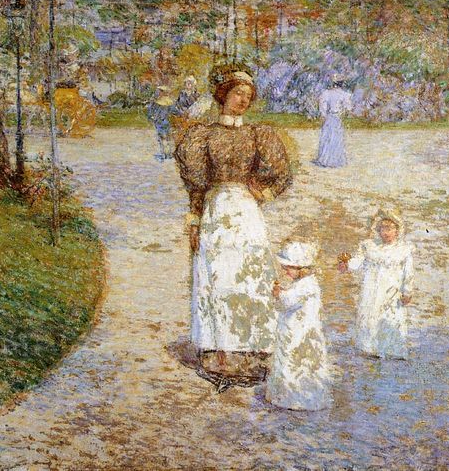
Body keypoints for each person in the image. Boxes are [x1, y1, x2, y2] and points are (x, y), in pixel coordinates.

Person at [174, 63, 293, 390]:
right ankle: (219, 352)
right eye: (238, 93)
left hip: (246, 214)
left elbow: (283, 176)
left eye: (248, 96)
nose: (242, 100)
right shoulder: (203, 135)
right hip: (216, 212)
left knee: (251, 277)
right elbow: (196, 187)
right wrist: (194, 222)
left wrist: (263, 193)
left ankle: (253, 351)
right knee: (219, 277)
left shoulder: (257, 135)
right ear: (224, 95)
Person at [338, 209, 414, 360]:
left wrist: (407, 291)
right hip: (371, 289)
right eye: (383, 229)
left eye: (390, 229)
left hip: (391, 291)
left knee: (390, 317)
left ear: (397, 231)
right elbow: (358, 262)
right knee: (371, 315)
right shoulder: (370, 246)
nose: (386, 232)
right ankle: (370, 347)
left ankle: (392, 349)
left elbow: (408, 272)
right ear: (378, 230)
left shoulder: (403, 250)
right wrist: (347, 264)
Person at [266, 242, 331, 411]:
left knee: (297, 361)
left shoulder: (307, 285)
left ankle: (297, 398)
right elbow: (286, 301)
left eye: (288, 268)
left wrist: (279, 294)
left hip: (301, 332)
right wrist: (281, 294)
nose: (285, 271)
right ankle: (288, 394)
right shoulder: (301, 283)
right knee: (290, 359)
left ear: (301, 268)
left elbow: (288, 301)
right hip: (294, 328)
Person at [313, 75, 353, 168]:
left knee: (327, 137)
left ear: (333, 83)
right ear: (341, 84)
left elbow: (322, 107)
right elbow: (348, 108)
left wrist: (323, 115)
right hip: (337, 117)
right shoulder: (344, 94)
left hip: (329, 117)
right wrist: (342, 113)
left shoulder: (326, 93)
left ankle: (325, 159)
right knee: (336, 137)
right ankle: (336, 160)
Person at [147, 85, 175, 160]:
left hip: (160, 122)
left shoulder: (156, 102)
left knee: (163, 138)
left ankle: (165, 153)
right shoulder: (170, 102)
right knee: (167, 137)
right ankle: (168, 153)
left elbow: (151, 111)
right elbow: (175, 111)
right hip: (166, 121)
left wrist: (151, 117)